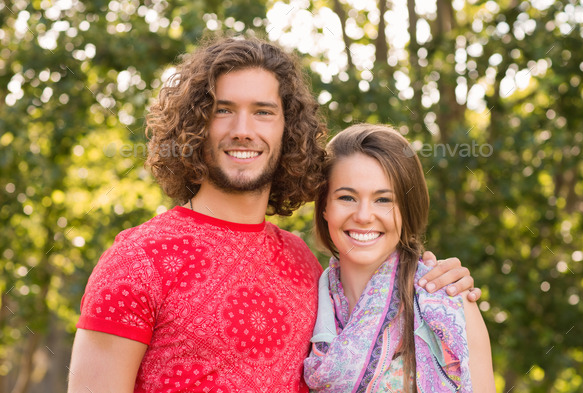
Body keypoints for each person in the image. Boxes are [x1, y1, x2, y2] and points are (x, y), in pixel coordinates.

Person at [68, 37, 481, 393]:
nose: (243, 129)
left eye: (263, 111)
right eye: (223, 109)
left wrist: (438, 278)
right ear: (195, 124)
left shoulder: (304, 264)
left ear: (289, 129)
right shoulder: (139, 259)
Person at [303, 123, 495, 392]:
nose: (363, 216)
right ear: (324, 207)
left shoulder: (450, 302)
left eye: (383, 200)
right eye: (347, 197)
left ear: (407, 210)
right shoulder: (303, 304)